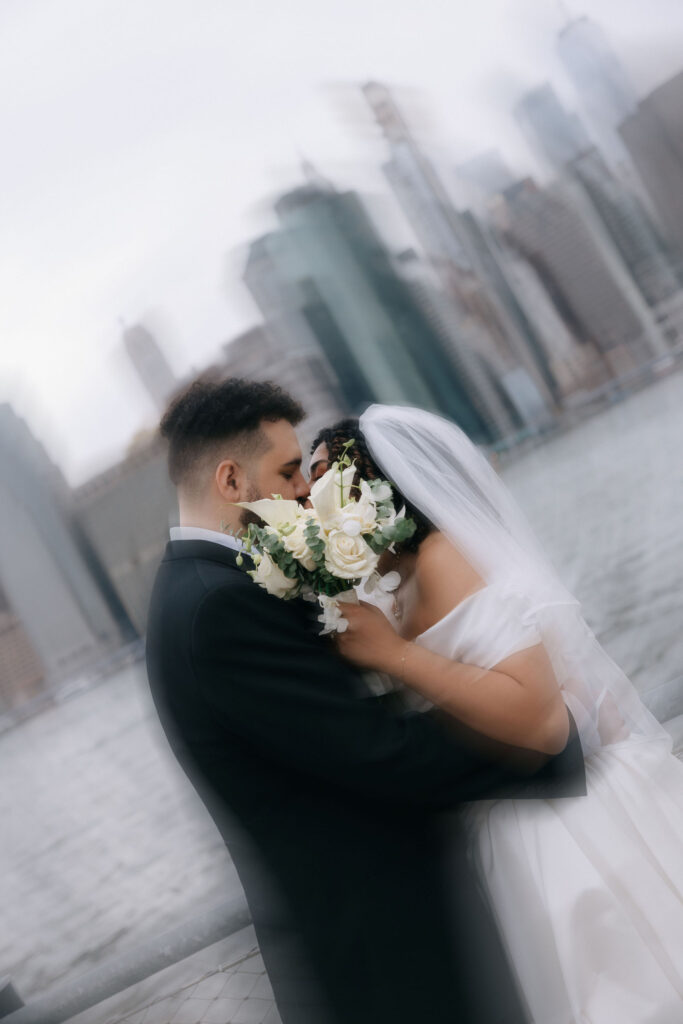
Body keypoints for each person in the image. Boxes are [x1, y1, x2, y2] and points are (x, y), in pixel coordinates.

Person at [145, 376, 585, 1024]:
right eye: (290, 470)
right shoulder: (216, 608)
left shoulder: (207, 590)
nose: (305, 490)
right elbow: (375, 752)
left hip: (385, 941)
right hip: (388, 961)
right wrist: (543, 747)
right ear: (231, 481)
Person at [310, 404, 683, 1024]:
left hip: (562, 826)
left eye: (324, 481)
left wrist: (394, 656)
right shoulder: (395, 585)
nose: (308, 505)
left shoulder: (443, 558)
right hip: (506, 821)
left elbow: (540, 722)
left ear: (372, 490)